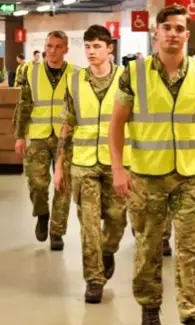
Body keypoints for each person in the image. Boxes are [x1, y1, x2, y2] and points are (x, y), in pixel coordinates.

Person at [108, 4, 195, 325]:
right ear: (155, 34)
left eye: (179, 28)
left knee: (191, 248)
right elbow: (116, 125)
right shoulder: (134, 74)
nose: (173, 33)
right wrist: (118, 168)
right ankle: (150, 307)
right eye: (167, 28)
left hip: (189, 176)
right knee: (148, 246)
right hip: (146, 175)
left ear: (187, 35)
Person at [53, 25, 129, 304]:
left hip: (118, 164)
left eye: (97, 46)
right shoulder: (75, 81)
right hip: (83, 165)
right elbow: (67, 124)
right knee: (88, 227)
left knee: (117, 221)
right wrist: (60, 166)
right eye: (87, 46)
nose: (91, 52)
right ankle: (94, 280)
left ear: (110, 48)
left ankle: (107, 252)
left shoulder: (127, 79)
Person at [14, 31, 76, 251]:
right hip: (38, 135)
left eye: (58, 46)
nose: (52, 50)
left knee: (63, 186)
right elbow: (23, 105)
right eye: (49, 46)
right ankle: (42, 213)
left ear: (66, 49)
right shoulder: (31, 71)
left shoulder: (76, 74)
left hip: (65, 137)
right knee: (37, 184)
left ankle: (57, 231)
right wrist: (20, 135)